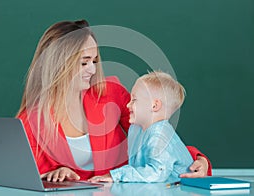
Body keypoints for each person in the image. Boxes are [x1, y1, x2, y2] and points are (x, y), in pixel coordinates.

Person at [16, 19, 212, 182]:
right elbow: (23, 177)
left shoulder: (112, 93)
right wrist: (53, 174)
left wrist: (197, 159)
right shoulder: (32, 121)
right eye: (84, 62)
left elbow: (157, 134)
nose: (92, 70)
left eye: (94, 61)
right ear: (58, 64)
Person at [89, 71, 195, 183]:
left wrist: (116, 175)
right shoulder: (137, 129)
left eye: (134, 100)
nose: (128, 105)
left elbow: (157, 173)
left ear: (154, 106)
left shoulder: (159, 135)